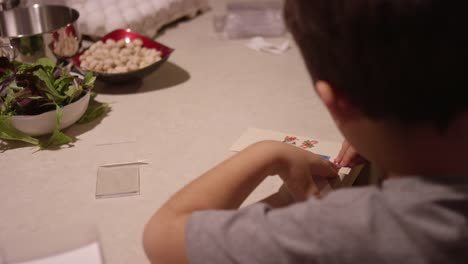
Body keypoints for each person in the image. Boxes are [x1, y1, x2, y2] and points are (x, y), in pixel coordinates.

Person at [143, 0, 468, 263]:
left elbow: (161, 237)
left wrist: (267, 153)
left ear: (338, 104)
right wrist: (380, 138)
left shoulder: (356, 230)